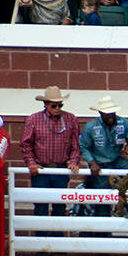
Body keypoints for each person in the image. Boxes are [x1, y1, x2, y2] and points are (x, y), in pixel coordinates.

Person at [21, 85, 81, 222]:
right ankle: (41, 239)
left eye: (60, 105)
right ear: (46, 105)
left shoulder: (71, 119)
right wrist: (31, 163)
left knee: (60, 206)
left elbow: (76, 144)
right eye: (54, 106)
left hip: (61, 169)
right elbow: (26, 144)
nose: (58, 109)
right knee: (41, 206)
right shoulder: (34, 119)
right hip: (41, 169)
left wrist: (73, 161)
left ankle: (57, 239)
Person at [81, 95, 128, 194]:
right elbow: (84, 147)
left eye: (112, 112)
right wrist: (92, 162)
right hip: (99, 163)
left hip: (116, 160)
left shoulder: (124, 123)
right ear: (100, 113)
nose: (110, 115)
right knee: (102, 197)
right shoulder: (90, 127)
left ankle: (126, 199)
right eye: (107, 113)